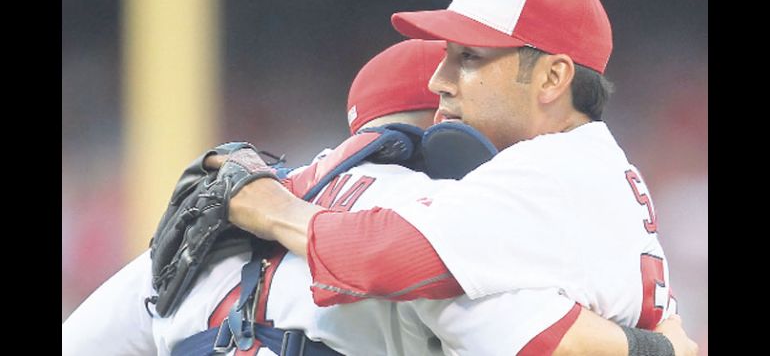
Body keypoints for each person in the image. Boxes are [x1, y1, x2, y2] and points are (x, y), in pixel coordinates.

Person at [62, 39, 694, 355]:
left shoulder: (221, 220)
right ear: (445, 130)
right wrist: (660, 342)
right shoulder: (430, 214)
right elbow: (538, 341)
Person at [212, 0, 698, 355]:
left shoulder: (548, 176)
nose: (438, 80)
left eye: (469, 57)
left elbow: (375, 257)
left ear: (552, 78)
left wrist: (261, 203)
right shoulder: (592, 168)